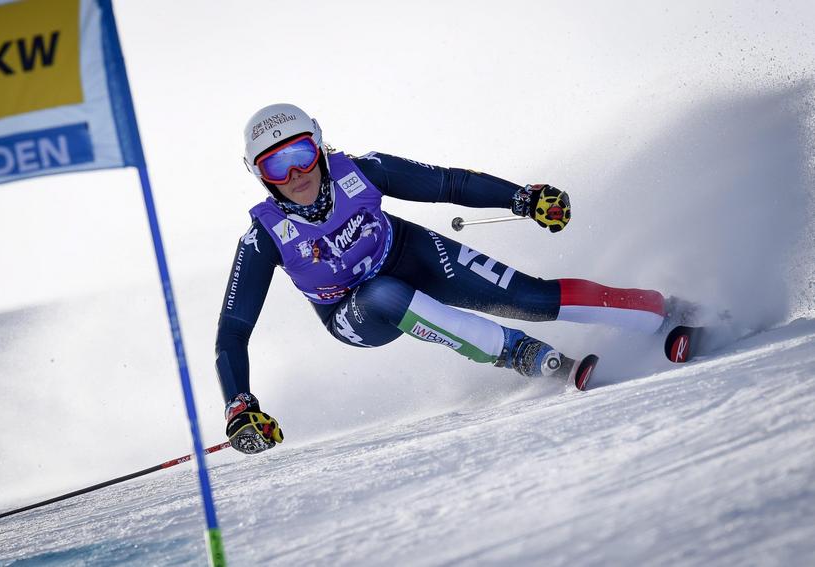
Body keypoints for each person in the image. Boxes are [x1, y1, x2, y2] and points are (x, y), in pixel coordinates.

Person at [216, 103, 677, 455]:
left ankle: (661, 310)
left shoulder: (363, 169)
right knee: (384, 294)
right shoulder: (263, 238)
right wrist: (240, 405)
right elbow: (233, 333)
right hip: (353, 313)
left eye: (301, 154)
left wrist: (521, 198)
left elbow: (448, 184)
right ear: (261, 177)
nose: (296, 173)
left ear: (319, 147)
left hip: (408, 251)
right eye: (277, 165)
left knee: (529, 296)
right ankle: (523, 353)